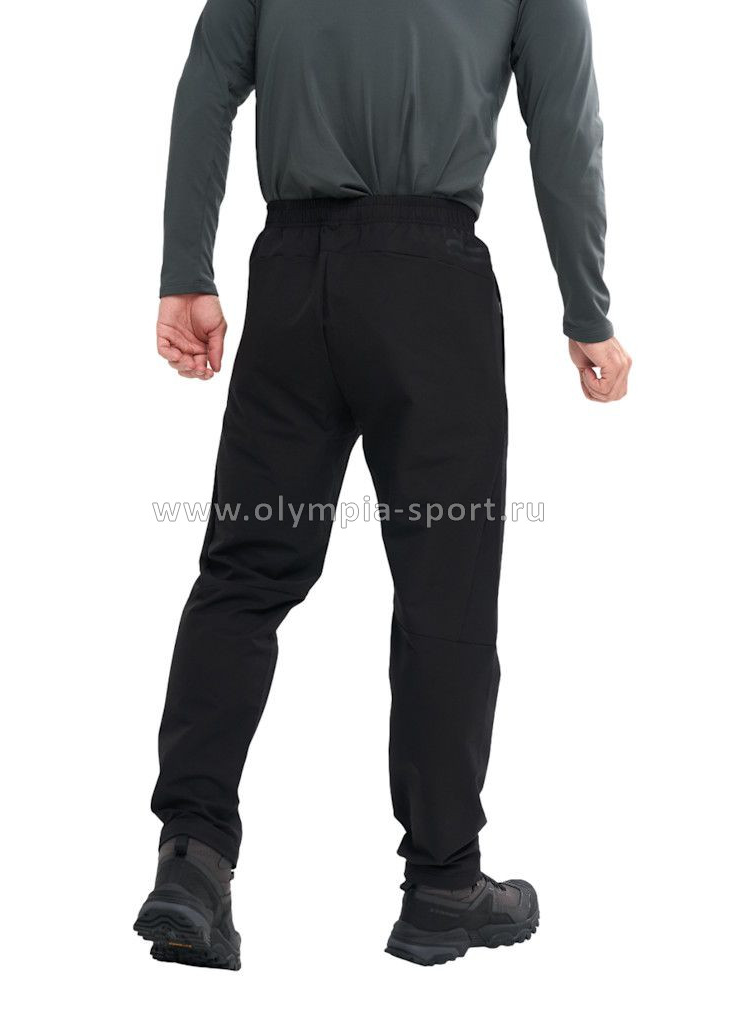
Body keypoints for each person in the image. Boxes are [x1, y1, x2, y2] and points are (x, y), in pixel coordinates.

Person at [133, 0, 632, 969]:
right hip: (432, 285)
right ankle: (444, 883)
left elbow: (205, 86)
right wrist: (588, 311)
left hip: (291, 278)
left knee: (243, 575)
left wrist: (186, 270)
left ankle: (191, 860)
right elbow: (565, 131)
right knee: (446, 589)